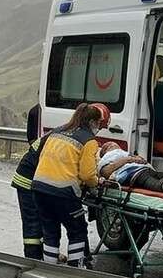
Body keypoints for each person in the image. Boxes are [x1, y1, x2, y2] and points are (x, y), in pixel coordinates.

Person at [32, 103, 108, 267]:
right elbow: (87, 175)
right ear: (93, 122)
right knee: (77, 230)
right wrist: (97, 182)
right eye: (99, 123)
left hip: (39, 188)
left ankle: (48, 268)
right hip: (64, 192)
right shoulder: (88, 141)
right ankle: (75, 270)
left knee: (50, 231)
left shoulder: (57, 131)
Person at [11, 132, 48, 260]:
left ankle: (42, 254)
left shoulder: (62, 133)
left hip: (36, 178)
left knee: (43, 220)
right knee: (33, 224)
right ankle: (32, 259)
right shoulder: (75, 139)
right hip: (28, 180)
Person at [97, 142, 163, 195]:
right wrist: (127, 160)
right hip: (131, 174)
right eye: (108, 145)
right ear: (105, 151)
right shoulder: (107, 157)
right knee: (150, 181)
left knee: (160, 175)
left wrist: (137, 158)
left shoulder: (125, 153)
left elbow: (142, 161)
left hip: (144, 169)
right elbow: (105, 172)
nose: (112, 144)